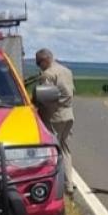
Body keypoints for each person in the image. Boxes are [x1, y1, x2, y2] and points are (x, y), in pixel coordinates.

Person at [34, 48, 75, 194]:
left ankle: (56, 184)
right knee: (65, 149)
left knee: (52, 151)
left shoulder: (48, 74)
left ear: (45, 60)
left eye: (39, 63)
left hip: (53, 116)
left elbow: (44, 98)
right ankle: (68, 184)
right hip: (68, 114)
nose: (39, 66)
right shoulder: (67, 71)